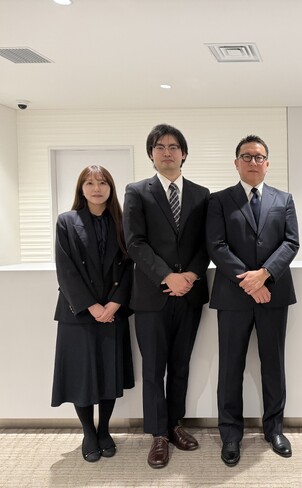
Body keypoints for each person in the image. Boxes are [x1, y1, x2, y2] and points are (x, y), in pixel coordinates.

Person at [206, 134, 300, 467]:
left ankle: (275, 430)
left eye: (259, 157)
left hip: (273, 294)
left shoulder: (284, 199)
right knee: (230, 367)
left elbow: (291, 243)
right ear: (236, 163)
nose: (253, 162)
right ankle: (230, 434)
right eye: (246, 156)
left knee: (273, 364)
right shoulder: (219, 200)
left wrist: (265, 275)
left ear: (267, 163)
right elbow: (216, 246)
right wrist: (249, 281)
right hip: (233, 296)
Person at [123, 124, 210, 469]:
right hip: (151, 296)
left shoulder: (202, 194)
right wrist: (166, 276)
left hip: (189, 293)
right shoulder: (136, 192)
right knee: (153, 368)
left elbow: (207, 243)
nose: (167, 152)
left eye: (174, 147)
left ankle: (174, 425)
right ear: (151, 154)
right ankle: (158, 434)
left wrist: (190, 275)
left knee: (181, 365)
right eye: (160, 147)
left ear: (184, 154)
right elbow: (135, 243)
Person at [51, 165, 134, 462]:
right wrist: (91, 305)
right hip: (78, 313)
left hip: (113, 311)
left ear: (111, 188)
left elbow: (130, 266)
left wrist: (115, 303)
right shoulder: (67, 221)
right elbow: (65, 270)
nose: (96, 188)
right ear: (81, 189)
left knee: (109, 373)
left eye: (102, 183)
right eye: (89, 183)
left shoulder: (122, 223)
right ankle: (88, 431)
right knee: (82, 376)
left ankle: (104, 430)